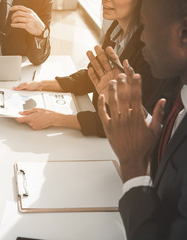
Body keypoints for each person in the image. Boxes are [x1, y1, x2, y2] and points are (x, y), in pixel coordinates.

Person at [13, 0, 172, 134]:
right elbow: (95, 74)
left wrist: (55, 119)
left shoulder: (150, 49)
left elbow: (128, 118)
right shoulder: (116, 29)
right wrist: (42, 85)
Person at [98, 0, 187, 238]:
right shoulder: (178, 92)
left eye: (146, 26)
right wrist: (133, 113)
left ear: (184, 34)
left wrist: (133, 167)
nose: (143, 37)